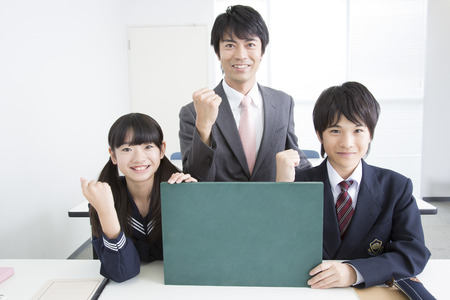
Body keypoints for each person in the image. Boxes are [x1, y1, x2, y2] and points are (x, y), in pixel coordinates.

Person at [276, 82, 430, 288]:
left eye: (358, 130)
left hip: (368, 290)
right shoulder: (297, 184)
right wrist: (281, 192)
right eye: (335, 131)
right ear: (319, 135)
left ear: (371, 134)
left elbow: (413, 252)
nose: (347, 143)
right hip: (308, 290)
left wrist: (355, 272)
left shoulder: (397, 187)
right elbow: (275, 250)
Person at [179, 5, 311, 182]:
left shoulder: (283, 103)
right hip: (220, 208)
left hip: (273, 206)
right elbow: (194, 179)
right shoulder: (194, 111)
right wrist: (203, 127)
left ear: (262, 50)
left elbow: (296, 158)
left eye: (250, 44)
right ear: (218, 52)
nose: (241, 55)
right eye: (230, 45)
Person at [80, 113, 197, 283]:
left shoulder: (180, 191)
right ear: (113, 155)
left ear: (162, 150)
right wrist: (106, 211)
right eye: (126, 149)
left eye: (148, 147)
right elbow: (122, 272)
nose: (139, 158)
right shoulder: (104, 199)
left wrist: (198, 202)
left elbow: (196, 261)